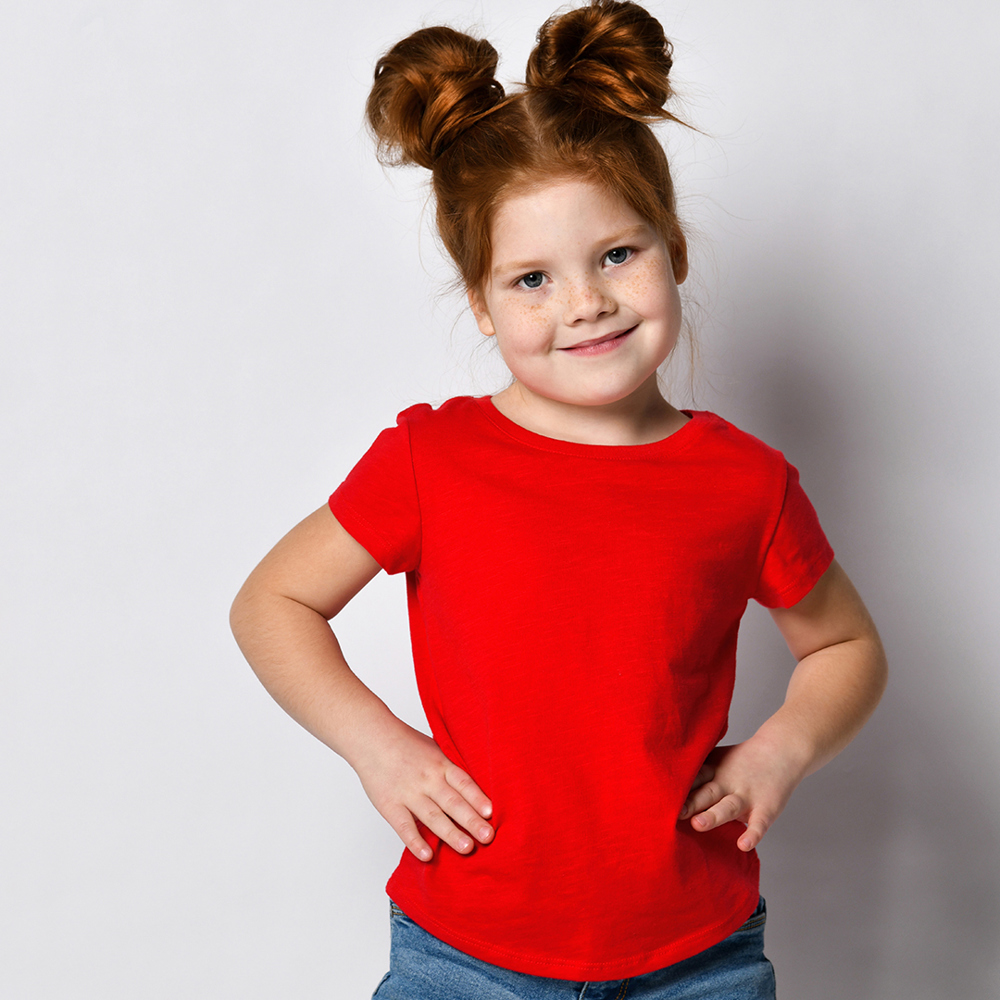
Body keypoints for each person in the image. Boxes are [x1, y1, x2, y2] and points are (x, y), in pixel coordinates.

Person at [229, 2, 888, 996]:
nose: (584, 302)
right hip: (465, 953)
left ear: (674, 248)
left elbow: (845, 646)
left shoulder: (745, 482)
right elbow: (271, 602)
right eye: (532, 278)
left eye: (617, 254)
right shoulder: (431, 461)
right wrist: (380, 749)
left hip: (695, 955)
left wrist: (779, 751)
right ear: (481, 304)